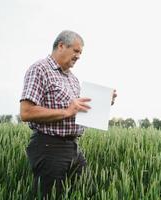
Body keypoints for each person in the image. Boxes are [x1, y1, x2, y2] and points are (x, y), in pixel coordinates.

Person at [20, 30, 117, 199]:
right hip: (48, 147)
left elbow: (79, 109)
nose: (79, 56)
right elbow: (26, 112)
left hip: (72, 147)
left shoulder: (72, 78)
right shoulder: (39, 69)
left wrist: (103, 103)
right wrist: (66, 111)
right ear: (61, 46)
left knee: (89, 193)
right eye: (76, 51)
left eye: (80, 52)